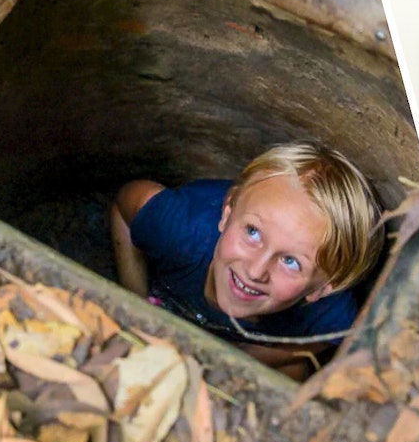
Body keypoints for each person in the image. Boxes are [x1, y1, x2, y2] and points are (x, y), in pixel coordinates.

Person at [110, 141, 383, 379]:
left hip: (238, 342)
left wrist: (236, 358)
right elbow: (127, 203)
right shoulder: (182, 231)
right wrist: (135, 300)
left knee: (295, 369)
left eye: (291, 261)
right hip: (168, 299)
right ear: (227, 213)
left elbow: (333, 335)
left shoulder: (328, 313)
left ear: (323, 289)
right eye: (252, 232)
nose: (255, 271)